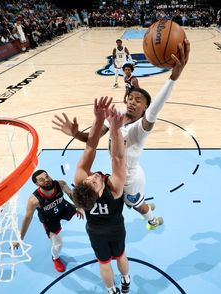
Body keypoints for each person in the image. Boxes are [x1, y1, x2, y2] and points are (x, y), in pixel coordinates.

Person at [52, 39, 190, 231]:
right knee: (130, 202)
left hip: (130, 179)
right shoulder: (116, 117)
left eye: (139, 100)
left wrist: (172, 78)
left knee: (136, 205)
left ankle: (151, 219)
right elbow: (92, 140)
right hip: (119, 173)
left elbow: (155, 110)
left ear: (145, 108)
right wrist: (76, 134)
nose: (133, 102)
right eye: (131, 98)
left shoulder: (139, 129)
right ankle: (144, 206)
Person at [72, 96, 130, 294]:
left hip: (95, 231)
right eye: (95, 181)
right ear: (99, 192)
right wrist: (114, 128)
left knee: (104, 262)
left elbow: (90, 146)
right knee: (121, 256)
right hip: (115, 229)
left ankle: (112, 290)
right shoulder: (113, 190)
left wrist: (98, 120)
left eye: (90, 179)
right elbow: (118, 157)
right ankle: (125, 280)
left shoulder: (81, 184)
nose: (94, 176)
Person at [13, 170, 83, 272]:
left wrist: (79, 206)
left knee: (86, 211)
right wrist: (20, 238)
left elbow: (71, 195)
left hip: (64, 208)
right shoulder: (34, 200)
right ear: (37, 184)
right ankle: (55, 258)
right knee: (58, 245)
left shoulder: (60, 184)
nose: (46, 180)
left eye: (47, 176)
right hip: (50, 219)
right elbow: (27, 218)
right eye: (42, 180)